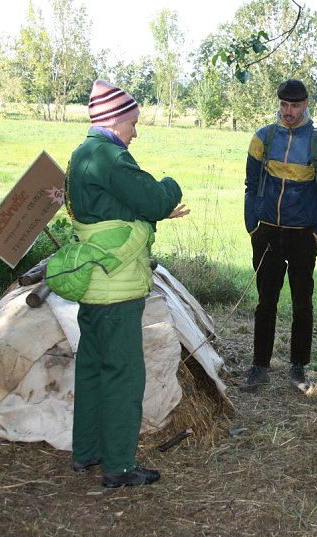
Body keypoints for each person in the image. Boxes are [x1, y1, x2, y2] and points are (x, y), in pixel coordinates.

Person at [64, 80, 189, 489]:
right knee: (123, 375)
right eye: (133, 123)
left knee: (92, 368)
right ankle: (117, 466)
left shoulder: (81, 155)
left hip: (91, 285)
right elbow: (154, 199)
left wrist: (145, 214)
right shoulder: (112, 158)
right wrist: (171, 184)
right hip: (118, 286)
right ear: (115, 120)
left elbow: (111, 213)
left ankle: (87, 452)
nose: (136, 132)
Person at [240, 79, 317, 393]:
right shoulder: (263, 138)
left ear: (306, 104)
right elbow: (250, 184)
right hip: (266, 232)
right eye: (283, 105)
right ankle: (259, 366)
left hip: (302, 236)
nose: (288, 112)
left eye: (294, 105)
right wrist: (253, 227)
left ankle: (298, 368)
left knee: (302, 303)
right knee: (265, 302)